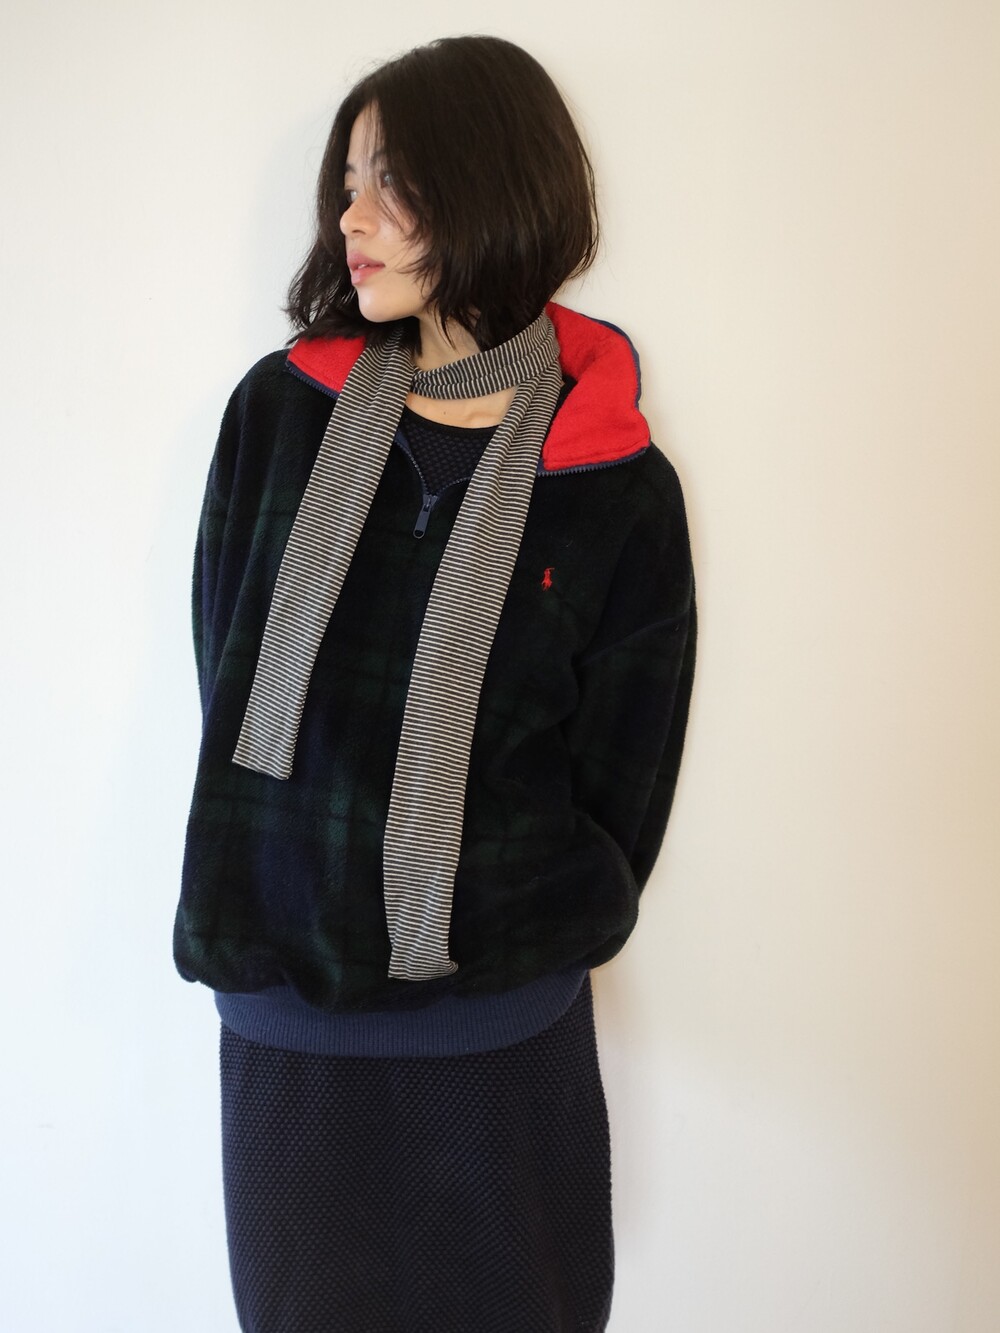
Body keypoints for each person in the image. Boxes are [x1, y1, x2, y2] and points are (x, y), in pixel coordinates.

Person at [174, 33, 696, 1333]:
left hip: (498, 1038)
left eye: (392, 181)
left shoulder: (617, 483)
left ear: (493, 183)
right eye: (346, 183)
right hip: (287, 1023)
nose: (351, 217)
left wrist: (525, 908)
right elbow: (225, 667)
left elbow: (627, 769)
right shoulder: (276, 416)